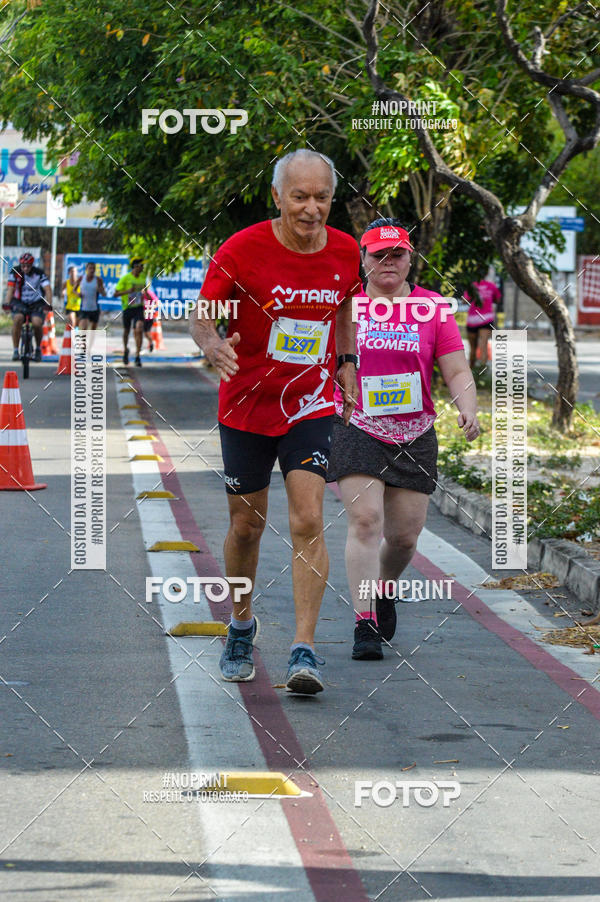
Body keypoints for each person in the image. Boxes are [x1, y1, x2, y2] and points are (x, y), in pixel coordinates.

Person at [190, 148, 361, 695]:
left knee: (308, 519)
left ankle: (304, 650)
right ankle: (241, 624)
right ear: (278, 198)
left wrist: (347, 362)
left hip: (309, 403)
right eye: (300, 197)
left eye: (322, 198)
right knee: (247, 525)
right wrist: (214, 345)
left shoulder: (346, 250)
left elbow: (343, 309)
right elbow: (202, 313)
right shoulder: (241, 249)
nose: (312, 209)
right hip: (246, 403)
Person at [327, 218, 481, 660]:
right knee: (365, 522)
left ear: (411, 257)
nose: (388, 262)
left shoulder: (432, 308)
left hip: (415, 434)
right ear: (364, 259)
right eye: (379, 255)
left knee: (404, 538)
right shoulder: (346, 306)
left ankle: (384, 586)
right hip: (357, 426)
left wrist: (466, 405)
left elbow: (455, 367)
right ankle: (364, 623)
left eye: (397, 254)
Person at [4, 253, 52, 362]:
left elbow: (48, 290)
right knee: (17, 319)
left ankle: (38, 349)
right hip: (19, 302)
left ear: (32, 265)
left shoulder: (39, 273)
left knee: (36, 323)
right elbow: (10, 290)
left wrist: (48, 304)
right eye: (23, 266)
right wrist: (7, 303)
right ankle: (16, 350)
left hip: (36, 303)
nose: (25, 268)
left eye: (28, 266)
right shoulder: (15, 272)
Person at [113, 258, 147, 366]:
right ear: (136, 266)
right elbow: (115, 294)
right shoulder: (125, 278)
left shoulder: (142, 277)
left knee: (139, 328)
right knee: (126, 331)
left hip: (139, 307)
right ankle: (125, 350)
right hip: (127, 308)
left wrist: (146, 295)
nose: (143, 268)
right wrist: (128, 291)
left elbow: (145, 290)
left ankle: (137, 355)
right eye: (141, 266)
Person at [465, 273, 502, 368]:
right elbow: (498, 300)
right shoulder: (491, 286)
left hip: (473, 319)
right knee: (483, 345)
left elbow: (465, 300)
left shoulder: (472, 286)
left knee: (473, 348)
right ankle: (482, 372)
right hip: (486, 318)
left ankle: (472, 371)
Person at [76, 262, 106, 331]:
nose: (92, 270)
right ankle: (82, 342)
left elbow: (104, 294)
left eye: (93, 268)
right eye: (90, 268)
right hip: (84, 308)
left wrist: (100, 290)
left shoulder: (98, 280)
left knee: (93, 330)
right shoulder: (81, 278)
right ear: (86, 269)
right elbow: (74, 290)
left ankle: (91, 342)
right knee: (84, 328)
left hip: (94, 308)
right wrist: (78, 294)